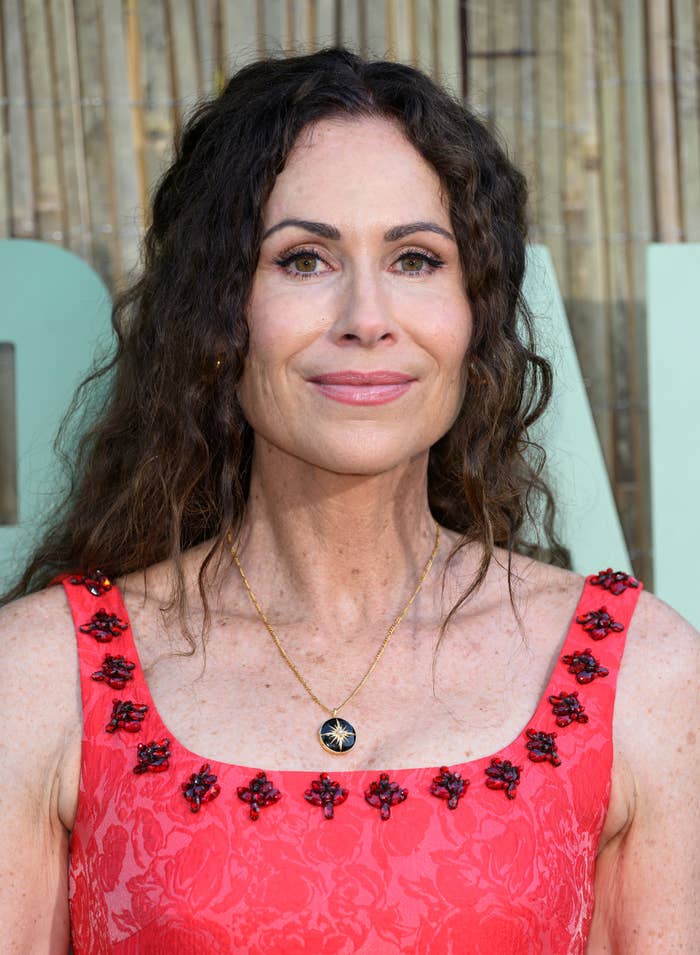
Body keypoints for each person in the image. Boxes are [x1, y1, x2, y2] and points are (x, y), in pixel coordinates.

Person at [0, 47, 696, 955]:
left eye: (415, 258)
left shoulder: (640, 673)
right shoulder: (40, 678)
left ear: (474, 315)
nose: (367, 315)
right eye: (303, 259)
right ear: (216, 311)